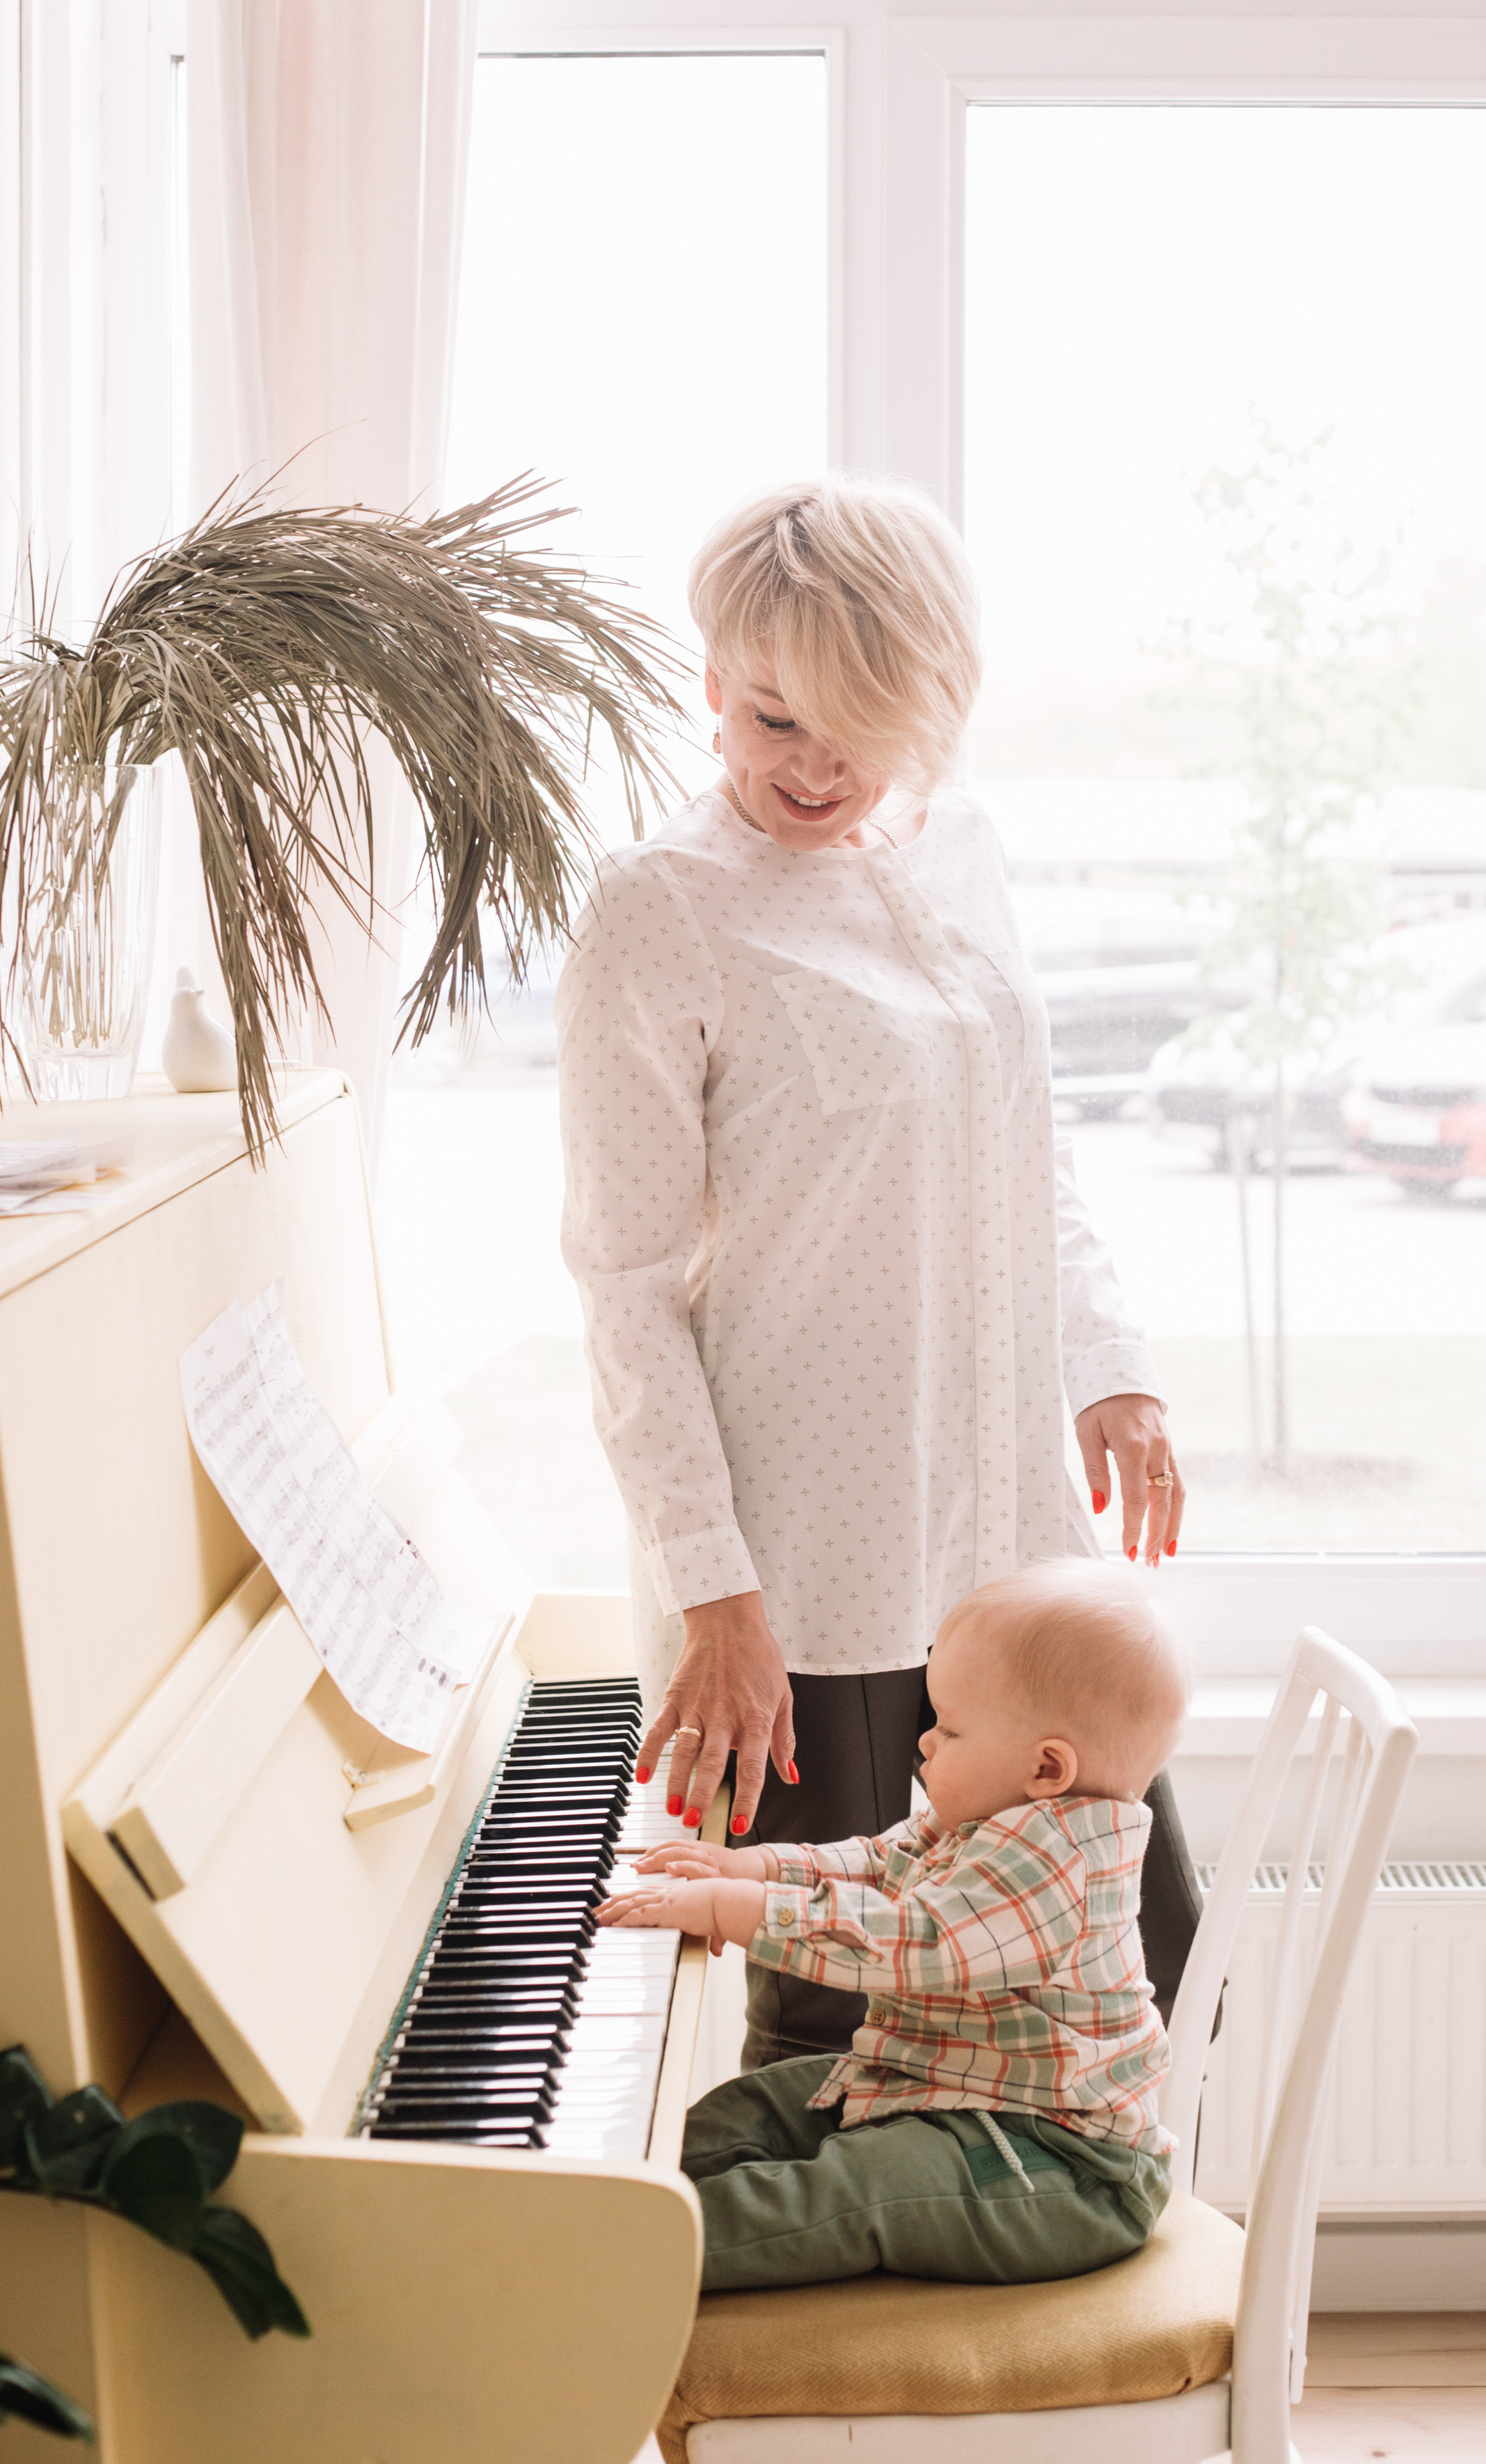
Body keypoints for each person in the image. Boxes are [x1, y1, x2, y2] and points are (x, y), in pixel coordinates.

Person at [555, 476, 1196, 2070]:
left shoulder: (960, 847)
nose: (815, 767)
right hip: (810, 1583)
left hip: (1013, 1548)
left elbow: (1024, 1155)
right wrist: (713, 1591)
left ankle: (1071, 2216)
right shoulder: (659, 911)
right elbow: (624, 1280)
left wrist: (1106, 1363)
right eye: (775, 717)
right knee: (831, 2036)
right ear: (713, 680)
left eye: (862, 728)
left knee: (1134, 1956)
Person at [598, 1563, 1188, 2291]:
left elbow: (913, 1941)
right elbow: (879, 1863)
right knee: (758, 2107)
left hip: (1062, 2166)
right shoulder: (992, 1816)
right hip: (939, 2091)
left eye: (950, 1729)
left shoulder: (1059, 1864)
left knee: (855, 2185)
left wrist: (735, 1911)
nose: (927, 1744)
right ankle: (592, 2195)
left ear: (1046, 1767)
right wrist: (755, 1867)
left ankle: (617, 2258)